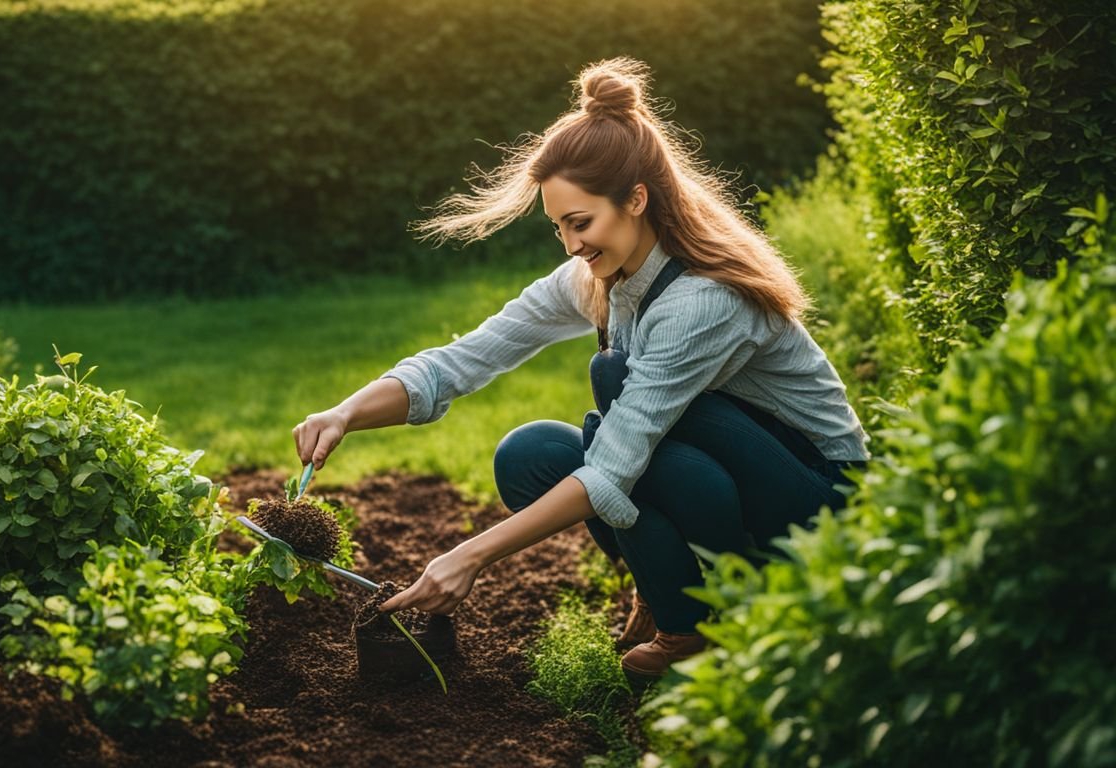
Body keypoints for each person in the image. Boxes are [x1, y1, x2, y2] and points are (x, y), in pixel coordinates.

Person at [291, 57, 870, 679]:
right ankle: (669, 584)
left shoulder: (702, 300)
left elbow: (615, 464)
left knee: (610, 398)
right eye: (559, 227)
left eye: (581, 223)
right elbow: (464, 361)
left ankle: (694, 627)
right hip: (725, 478)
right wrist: (346, 412)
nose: (571, 245)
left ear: (636, 200)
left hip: (820, 502)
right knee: (530, 453)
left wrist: (469, 556)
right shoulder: (602, 277)